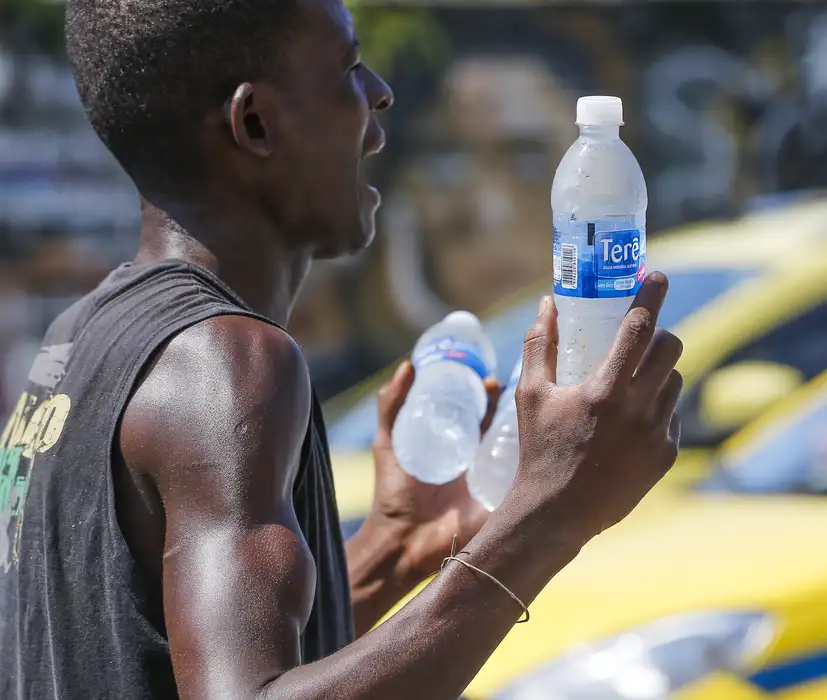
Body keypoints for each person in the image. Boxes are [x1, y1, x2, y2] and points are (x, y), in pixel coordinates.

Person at [0, 1, 684, 699]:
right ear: (255, 123)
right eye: (347, 69)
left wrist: (392, 546)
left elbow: (179, 653)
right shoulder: (225, 362)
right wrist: (549, 513)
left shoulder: (79, 336)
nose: (380, 92)